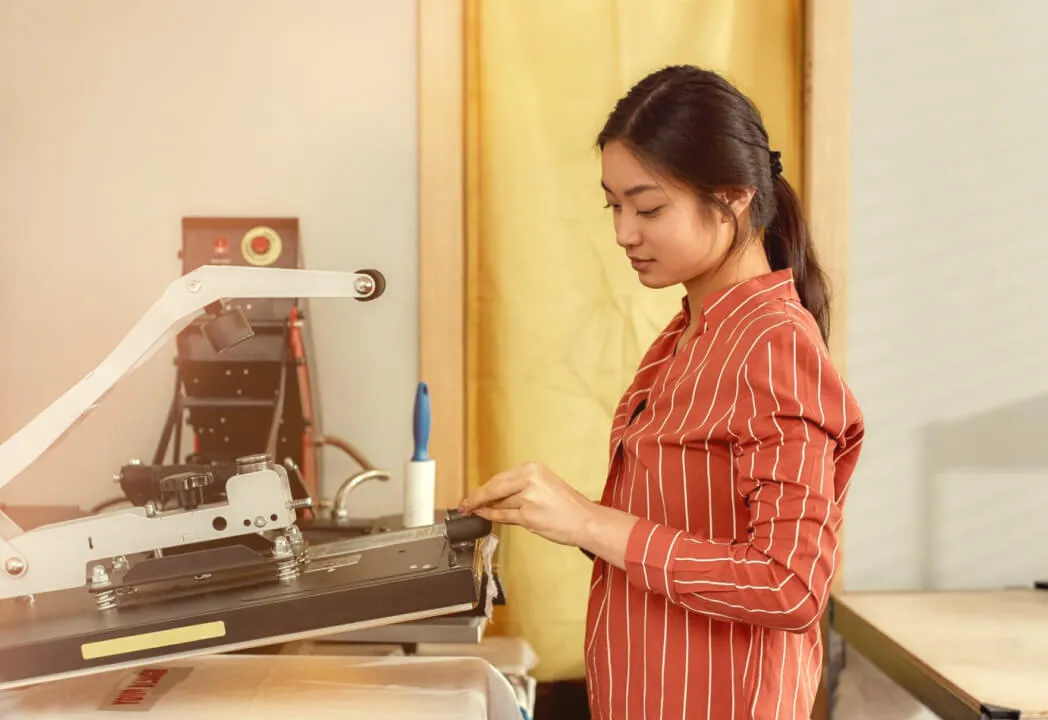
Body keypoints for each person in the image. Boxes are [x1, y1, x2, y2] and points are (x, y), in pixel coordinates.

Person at [459, 65, 865, 720]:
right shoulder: (688, 334)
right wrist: (563, 514)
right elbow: (684, 527)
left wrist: (591, 520)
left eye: (648, 208)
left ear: (732, 198)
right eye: (613, 206)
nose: (624, 233)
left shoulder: (773, 346)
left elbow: (790, 585)